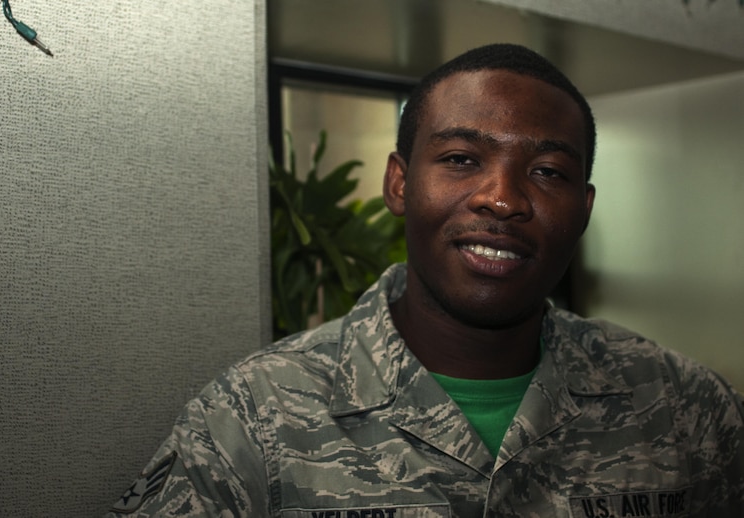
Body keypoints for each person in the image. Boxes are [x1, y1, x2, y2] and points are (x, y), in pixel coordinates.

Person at [106, 43, 744, 517]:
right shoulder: (252, 418)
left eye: (548, 171)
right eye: (462, 159)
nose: (502, 199)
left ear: (584, 207)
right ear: (400, 183)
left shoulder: (687, 410)